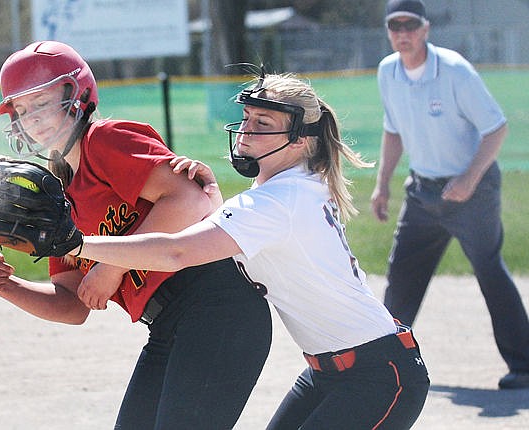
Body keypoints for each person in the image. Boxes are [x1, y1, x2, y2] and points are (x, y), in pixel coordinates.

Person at [71, 70, 430, 429]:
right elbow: (245, 230)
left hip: (379, 376)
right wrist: (211, 196)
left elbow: (175, 252)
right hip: (329, 373)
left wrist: (77, 244)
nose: (246, 130)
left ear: (300, 141)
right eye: (246, 118)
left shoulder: (279, 201)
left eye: (263, 122)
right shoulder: (296, 186)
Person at [0, 41, 272, 429]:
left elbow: (189, 198)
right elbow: (73, 302)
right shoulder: (57, 193)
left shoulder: (105, 141)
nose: (33, 117)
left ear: (77, 93)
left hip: (216, 306)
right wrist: (9, 287)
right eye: (22, 109)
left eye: (42, 101)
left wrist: (111, 266)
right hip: (167, 325)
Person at [371, 0, 529, 390]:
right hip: (422, 191)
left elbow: (496, 129)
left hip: (471, 192)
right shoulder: (388, 72)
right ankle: (380, 364)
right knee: (401, 278)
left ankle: (524, 367)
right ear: (389, 31)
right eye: (395, 26)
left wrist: (469, 178)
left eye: (411, 25)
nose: (403, 34)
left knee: (490, 271)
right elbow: (393, 131)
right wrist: (382, 183)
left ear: (426, 29)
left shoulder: (455, 70)